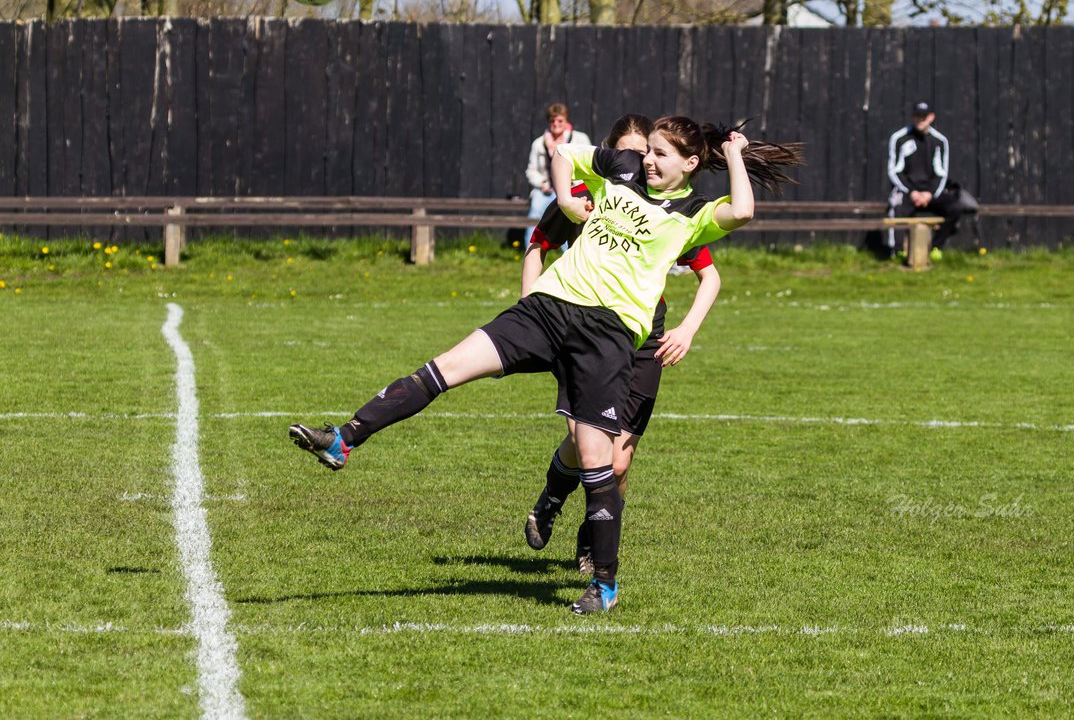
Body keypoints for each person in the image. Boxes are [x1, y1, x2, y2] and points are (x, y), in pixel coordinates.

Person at [288, 116, 802, 615]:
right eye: (647, 150)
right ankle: (345, 438)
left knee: (598, 458)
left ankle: (603, 585)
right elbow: (564, 155)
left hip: (608, 335)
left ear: (690, 163)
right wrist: (564, 196)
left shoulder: (692, 211)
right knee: (446, 366)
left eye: (660, 154)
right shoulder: (621, 167)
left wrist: (734, 154)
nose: (647, 160)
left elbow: (743, 211)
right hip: (548, 306)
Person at [520, 114, 722, 576]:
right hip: (581, 328)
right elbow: (538, 244)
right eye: (635, 153)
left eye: (650, 153)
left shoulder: (667, 210)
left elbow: (709, 273)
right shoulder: (592, 196)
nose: (643, 162)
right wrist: (531, 306)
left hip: (643, 335)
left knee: (620, 457)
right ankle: (552, 496)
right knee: (582, 440)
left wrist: (687, 329)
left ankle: (593, 543)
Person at [884, 101, 976, 257]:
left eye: (924, 117)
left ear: (931, 117)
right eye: (917, 116)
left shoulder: (939, 141)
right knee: (897, 207)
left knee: (955, 207)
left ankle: (934, 248)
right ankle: (897, 252)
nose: (920, 120)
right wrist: (912, 191)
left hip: (930, 193)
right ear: (913, 116)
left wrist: (930, 194)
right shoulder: (899, 138)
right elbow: (894, 171)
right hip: (907, 191)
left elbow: (941, 173)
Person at [525, 103, 590, 248]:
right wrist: (541, 182)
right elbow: (531, 171)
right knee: (536, 210)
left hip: (573, 187)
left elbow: (589, 163)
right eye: (552, 121)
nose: (556, 124)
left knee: (570, 216)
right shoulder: (539, 143)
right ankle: (531, 249)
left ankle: (568, 253)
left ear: (566, 121)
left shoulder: (579, 139)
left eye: (559, 121)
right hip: (546, 188)